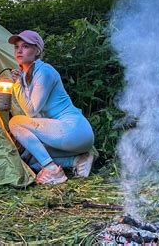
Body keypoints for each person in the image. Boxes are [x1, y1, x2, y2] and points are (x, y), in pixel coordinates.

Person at [8, 30, 96, 185]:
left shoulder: (45, 71)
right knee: (31, 159)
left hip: (74, 129)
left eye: (26, 46)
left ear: (37, 51)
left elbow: (31, 110)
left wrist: (16, 85)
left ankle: (52, 170)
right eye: (17, 47)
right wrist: (20, 82)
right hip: (65, 135)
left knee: (15, 122)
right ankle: (78, 160)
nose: (19, 50)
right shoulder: (28, 74)